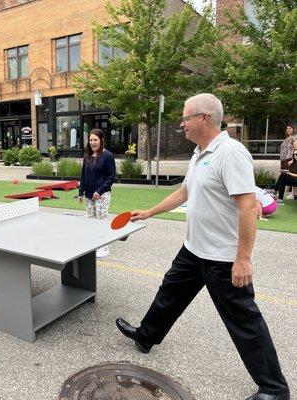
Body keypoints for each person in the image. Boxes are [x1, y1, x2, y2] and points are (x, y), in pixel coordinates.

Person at [115, 94, 289, 400]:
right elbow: (184, 192)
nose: (182, 124)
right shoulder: (200, 153)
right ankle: (146, 336)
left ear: (204, 118)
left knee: (243, 320)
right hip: (194, 250)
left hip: (223, 258)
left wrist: (244, 260)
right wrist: (150, 212)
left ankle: (275, 389)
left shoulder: (230, 153)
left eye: (185, 118)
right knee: (169, 293)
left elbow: (248, 207)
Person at [77, 128, 116, 258]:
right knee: (90, 220)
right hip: (89, 195)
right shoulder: (87, 155)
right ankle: (94, 244)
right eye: (91, 140)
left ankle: (104, 247)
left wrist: (99, 191)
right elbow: (83, 175)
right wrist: (80, 192)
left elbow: (111, 177)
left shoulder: (108, 156)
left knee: (101, 219)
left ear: (102, 140)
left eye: (96, 140)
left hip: (102, 195)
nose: (93, 142)